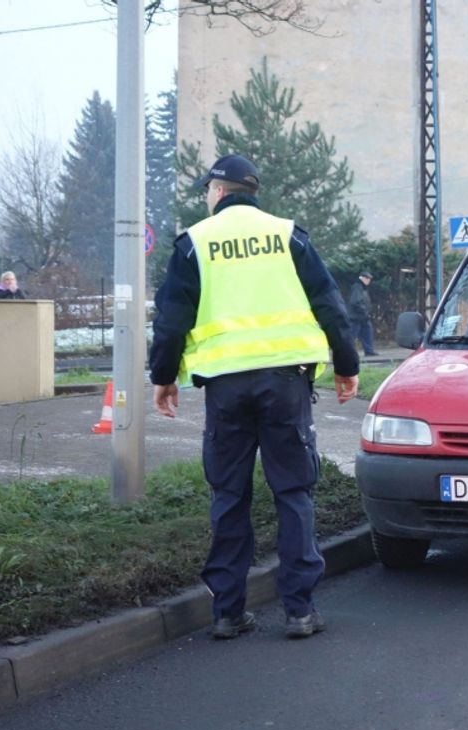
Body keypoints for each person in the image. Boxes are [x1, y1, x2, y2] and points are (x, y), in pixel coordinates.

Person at [149, 154, 360, 641]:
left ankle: (227, 612)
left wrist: (164, 377)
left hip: (225, 386)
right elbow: (329, 303)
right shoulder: (289, 235)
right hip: (286, 382)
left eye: (208, 190)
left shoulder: (194, 243)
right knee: (293, 492)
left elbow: (171, 320)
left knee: (229, 493)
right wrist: (347, 366)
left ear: (220, 191)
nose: (207, 197)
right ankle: (300, 610)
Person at [347, 271, 377, 356]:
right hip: (356, 317)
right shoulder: (357, 287)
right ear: (362, 278)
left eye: (369, 279)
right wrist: (364, 311)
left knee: (368, 333)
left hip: (363, 317)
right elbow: (355, 302)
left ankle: (369, 351)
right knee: (352, 335)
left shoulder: (362, 288)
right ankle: (347, 352)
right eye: (367, 278)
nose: (369, 280)